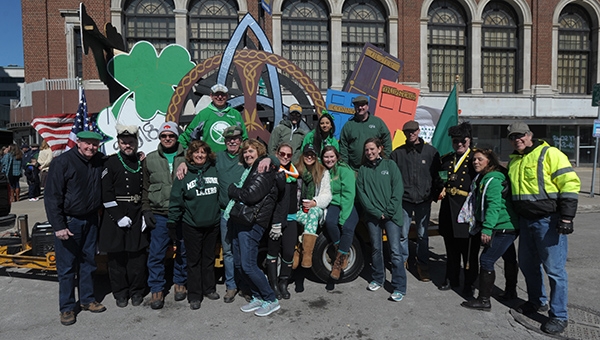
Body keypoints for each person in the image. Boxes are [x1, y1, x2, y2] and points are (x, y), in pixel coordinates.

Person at [506, 122, 580, 335]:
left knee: (554, 271)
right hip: (526, 221)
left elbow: (570, 184)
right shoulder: (515, 161)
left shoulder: (549, 153)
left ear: (529, 135)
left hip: (548, 221)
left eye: (520, 135)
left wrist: (566, 218)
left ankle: (559, 316)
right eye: (512, 137)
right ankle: (537, 301)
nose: (516, 139)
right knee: (528, 266)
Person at [45, 131, 107, 326]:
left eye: (95, 144)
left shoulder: (98, 160)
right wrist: (59, 225)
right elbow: (52, 197)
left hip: (90, 220)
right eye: (87, 143)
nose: (91, 147)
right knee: (67, 267)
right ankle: (67, 308)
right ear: (78, 143)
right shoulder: (62, 162)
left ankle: (88, 299)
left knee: (88, 262)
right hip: (69, 223)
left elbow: (114, 161)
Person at [226, 138, 286, 317]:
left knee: (249, 264)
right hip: (242, 220)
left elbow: (251, 195)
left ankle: (270, 299)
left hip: (253, 222)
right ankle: (258, 296)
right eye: (245, 152)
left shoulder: (264, 169)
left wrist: (232, 190)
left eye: (251, 151)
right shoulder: (251, 169)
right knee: (240, 263)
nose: (247, 154)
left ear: (260, 152)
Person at [460, 148, 518, 312]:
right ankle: (511, 292)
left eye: (480, 159)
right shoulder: (485, 177)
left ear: (489, 161)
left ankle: (484, 300)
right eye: (474, 160)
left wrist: (487, 228)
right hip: (506, 225)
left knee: (486, 260)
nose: (475, 162)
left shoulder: (492, 179)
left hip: (502, 227)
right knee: (509, 258)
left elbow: (494, 206)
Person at [98, 125, 149, 308]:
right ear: (118, 142)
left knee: (137, 257)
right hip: (115, 216)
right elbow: (106, 192)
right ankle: (120, 293)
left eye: (131, 142)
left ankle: (137, 291)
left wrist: (144, 213)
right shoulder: (110, 163)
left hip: (136, 213)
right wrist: (118, 216)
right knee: (116, 259)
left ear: (136, 142)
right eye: (124, 142)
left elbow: (146, 188)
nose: (127, 145)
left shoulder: (141, 161)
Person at [168, 140, 220, 310]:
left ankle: (209, 288)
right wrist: (172, 222)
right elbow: (176, 200)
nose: (199, 155)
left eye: (203, 152)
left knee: (209, 259)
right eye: (196, 152)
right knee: (193, 261)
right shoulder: (184, 174)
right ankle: (195, 295)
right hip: (191, 224)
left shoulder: (214, 169)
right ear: (190, 155)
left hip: (212, 224)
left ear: (207, 154)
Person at [141, 121, 188, 310]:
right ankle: (156, 288)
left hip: (182, 213)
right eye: (164, 136)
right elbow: (145, 187)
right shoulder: (150, 159)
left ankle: (180, 282)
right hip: (159, 214)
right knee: (156, 253)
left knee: (183, 251)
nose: (167, 139)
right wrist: (146, 209)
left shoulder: (188, 157)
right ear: (159, 138)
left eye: (171, 136)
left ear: (177, 137)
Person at [389, 120, 443, 282]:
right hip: (404, 200)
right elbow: (392, 179)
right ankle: (403, 262)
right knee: (403, 235)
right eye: (407, 132)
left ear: (419, 131)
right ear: (404, 134)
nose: (411, 134)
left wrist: (434, 195)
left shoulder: (431, 152)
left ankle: (423, 265)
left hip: (423, 200)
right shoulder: (397, 154)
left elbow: (437, 177)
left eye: (413, 131)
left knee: (422, 235)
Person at [356, 137, 406, 302]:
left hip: (391, 215)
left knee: (395, 251)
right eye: (367, 150)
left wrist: (388, 211)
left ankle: (399, 286)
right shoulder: (363, 170)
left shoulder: (390, 165)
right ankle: (378, 278)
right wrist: (376, 212)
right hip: (373, 216)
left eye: (372, 149)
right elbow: (362, 195)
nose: (369, 152)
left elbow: (398, 189)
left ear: (379, 149)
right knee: (376, 249)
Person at [438, 122, 480, 297]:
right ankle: (451, 278)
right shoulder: (447, 159)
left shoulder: (476, 159)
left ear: (469, 140)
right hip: (448, 210)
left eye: (462, 140)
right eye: (455, 141)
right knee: (451, 249)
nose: (459, 144)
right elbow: (438, 179)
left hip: (467, 211)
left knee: (468, 253)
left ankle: (469, 284)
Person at [266, 143, 299, 299]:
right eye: (282, 154)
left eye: (288, 155)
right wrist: (275, 221)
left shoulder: (294, 173)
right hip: (275, 220)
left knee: (288, 252)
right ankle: (273, 285)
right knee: (272, 252)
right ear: (276, 153)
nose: (285, 157)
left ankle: (283, 283)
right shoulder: (271, 172)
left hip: (291, 218)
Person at [321, 145, 358, 280]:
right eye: (326, 157)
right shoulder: (324, 170)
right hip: (334, 203)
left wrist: (343, 218)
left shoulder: (344, 170)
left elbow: (348, 194)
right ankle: (340, 251)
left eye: (332, 156)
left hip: (349, 203)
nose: (329, 159)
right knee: (330, 222)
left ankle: (339, 262)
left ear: (337, 157)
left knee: (347, 227)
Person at [294, 144, 331, 269]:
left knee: (313, 212)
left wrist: (315, 202)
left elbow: (327, 194)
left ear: (316, 157)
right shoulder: (296, 170)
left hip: (316, 209)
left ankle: (306, 254)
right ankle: (300, 245)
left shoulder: (322, 172)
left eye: (312, 155)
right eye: (307, 154)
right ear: (302, 155)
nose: (309, 157)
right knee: (295, 217)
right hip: (299, 209)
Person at [179, 83, 248, 152]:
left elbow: (244, 137)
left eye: (223, 94)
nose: (220, 97)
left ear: (227, 96)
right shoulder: (203, 114)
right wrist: (181, 151)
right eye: (217, 94)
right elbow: (188, 135)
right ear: (211, 96)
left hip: (231, 158)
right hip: (209, 159)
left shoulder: (235, 114)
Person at [339, 96, 391, 172]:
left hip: (374, 168)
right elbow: (343, 147)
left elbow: (387, 139)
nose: (360, 107)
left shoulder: (377, 122)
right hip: (354, 170)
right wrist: (345, 167)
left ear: (367, 106)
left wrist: (385, 158)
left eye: (362, 105)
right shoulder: (349, 125)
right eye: (357, 105)